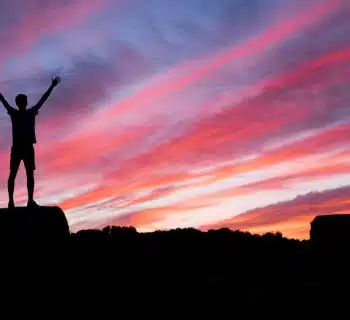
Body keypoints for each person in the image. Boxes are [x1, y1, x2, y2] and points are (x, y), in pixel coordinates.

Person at [0, 76, 61, 209]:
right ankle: (16, 201)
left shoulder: (22, 113)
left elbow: (3, 100)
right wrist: (51, 86)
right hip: (21, 148)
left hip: (25, 147)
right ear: (23, 103)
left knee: (23, 174)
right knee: (17, 174)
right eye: (24, 101)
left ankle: (26, 201)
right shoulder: (21, 113)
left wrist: (51, 87)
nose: (25, 102)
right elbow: (42, 100)